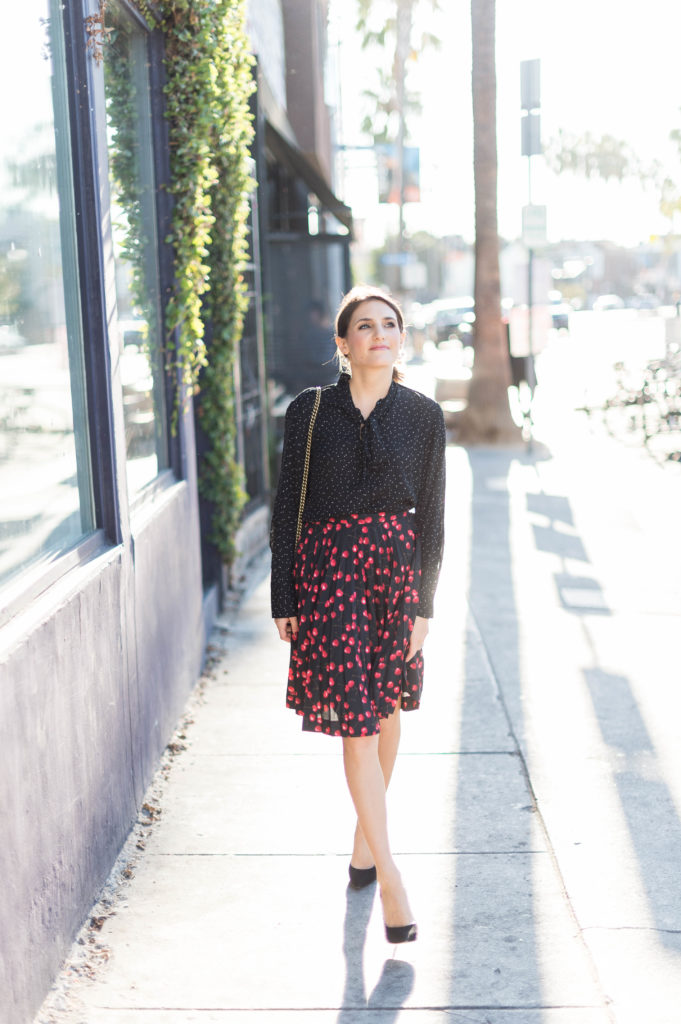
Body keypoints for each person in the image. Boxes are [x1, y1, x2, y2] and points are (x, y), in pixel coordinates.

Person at [270, 284, 446, 944]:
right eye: (364, 326)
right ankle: (392, 880)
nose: (378, 333)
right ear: (343, 344)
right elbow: (288, 506)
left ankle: (362, 845)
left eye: (389, 323)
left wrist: (423, 606)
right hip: (330, 571)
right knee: (358, 722)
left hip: (394, 572)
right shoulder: (309, 411)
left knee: (388, 708)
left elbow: (432, 516)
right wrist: (282, 596)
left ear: (401, 338)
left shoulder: (423, 414)